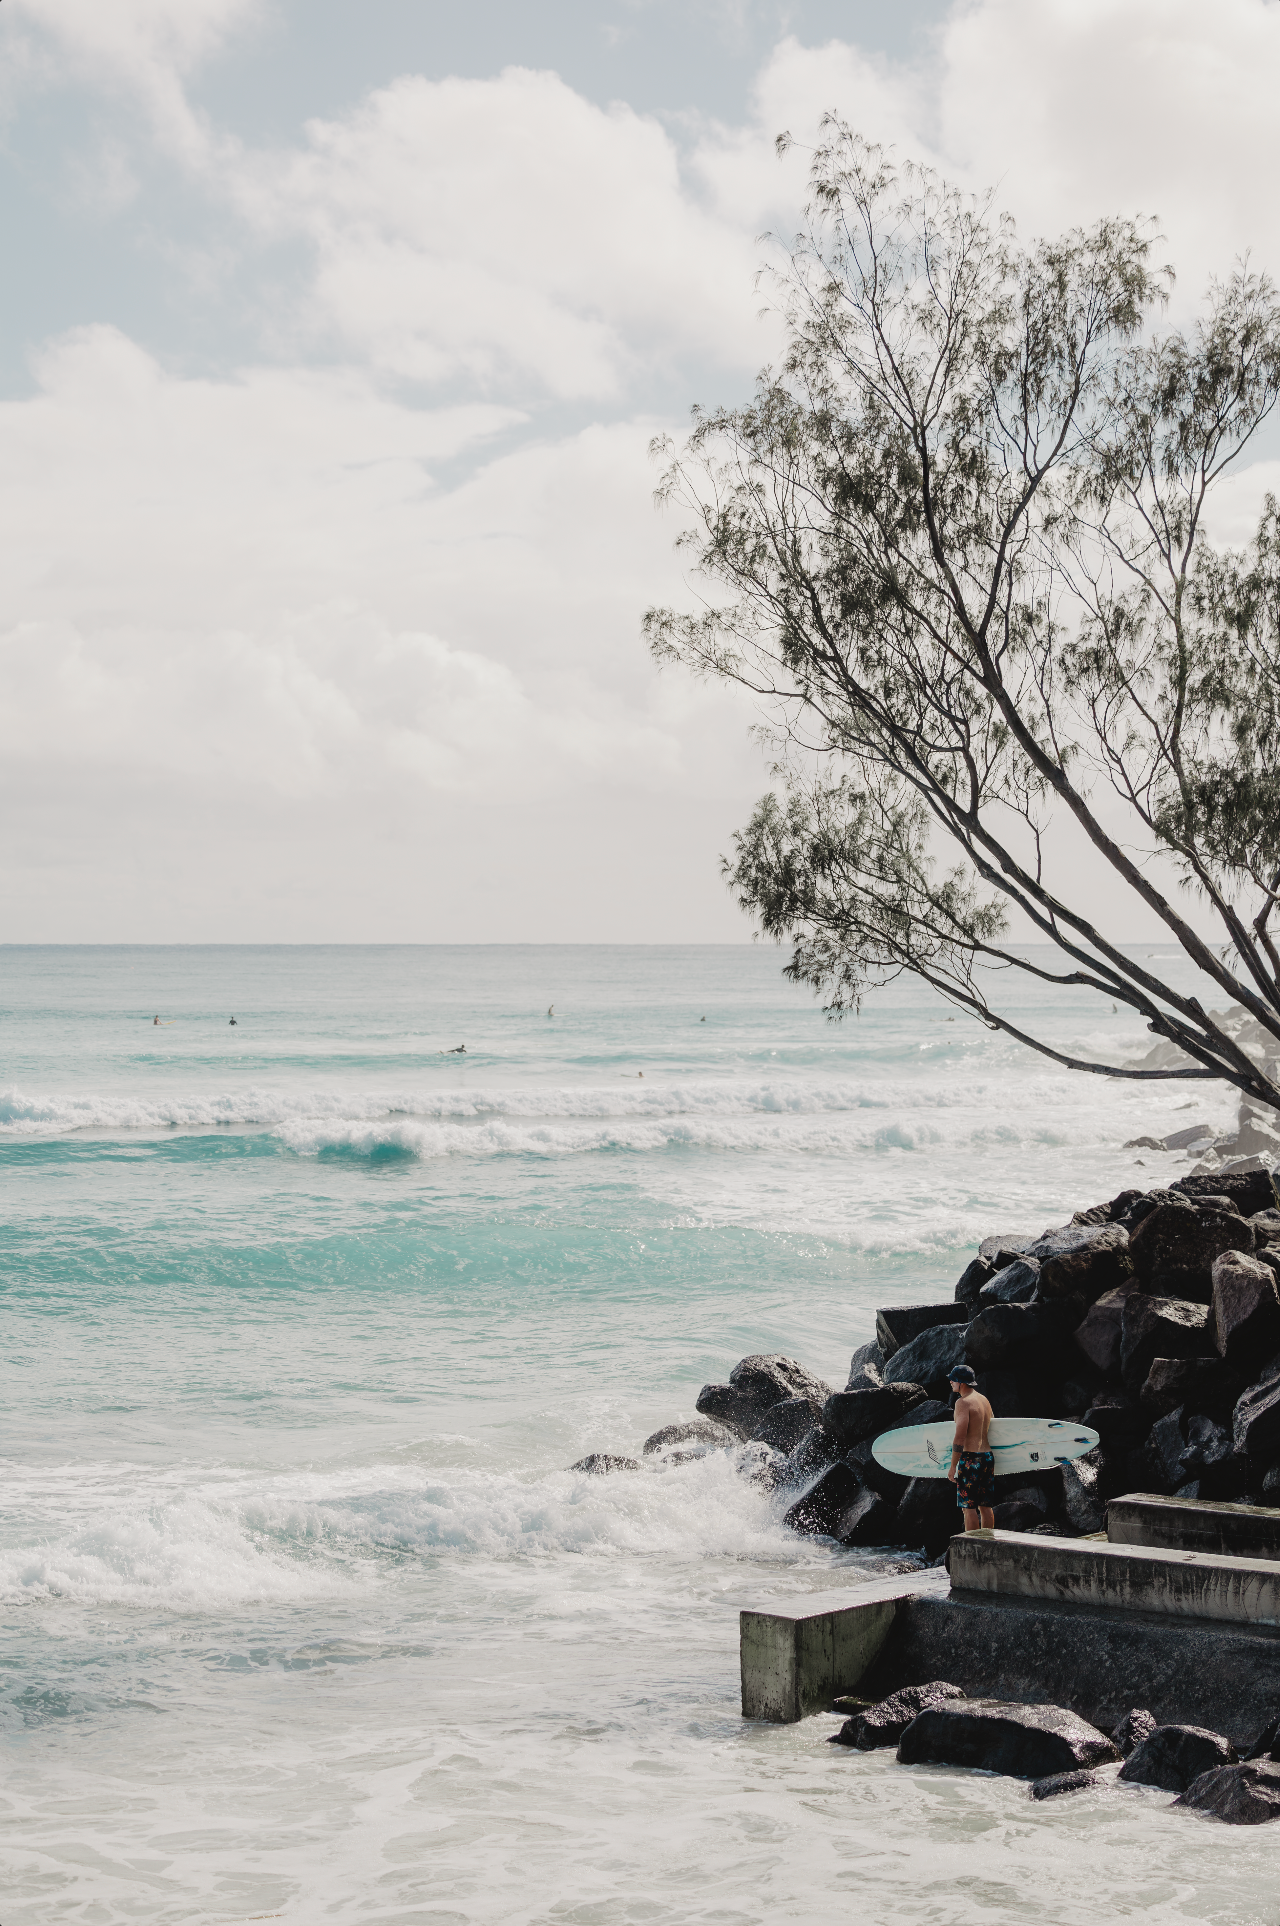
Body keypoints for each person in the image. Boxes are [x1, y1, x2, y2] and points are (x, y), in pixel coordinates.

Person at [947, 1365, 995, 1531]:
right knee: (985, 1506)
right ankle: (988, 1543)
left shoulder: (962, 1403)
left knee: (968, 1508)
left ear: (961, 1383)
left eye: (953, 1379)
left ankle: (973, 1544)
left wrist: (953, 1466)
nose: (951, 1382)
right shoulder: (984, 1400)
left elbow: (960, 1437)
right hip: (987, 1457)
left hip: (971, 1460)